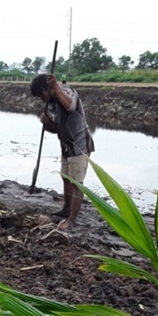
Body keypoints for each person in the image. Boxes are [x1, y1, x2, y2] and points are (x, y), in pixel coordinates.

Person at [30, 73, 94, 230]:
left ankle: (72, 220)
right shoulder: (51, 103)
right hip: (66, 146)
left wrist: (56, 87)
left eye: (41, 95)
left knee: (77, 183)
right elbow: (57, 128)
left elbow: (70, 106)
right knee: (66, 178)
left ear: (46, 90)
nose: (42, 100)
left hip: (79, 145)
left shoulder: (66, 91)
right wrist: (48, 123)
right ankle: (66, 209)